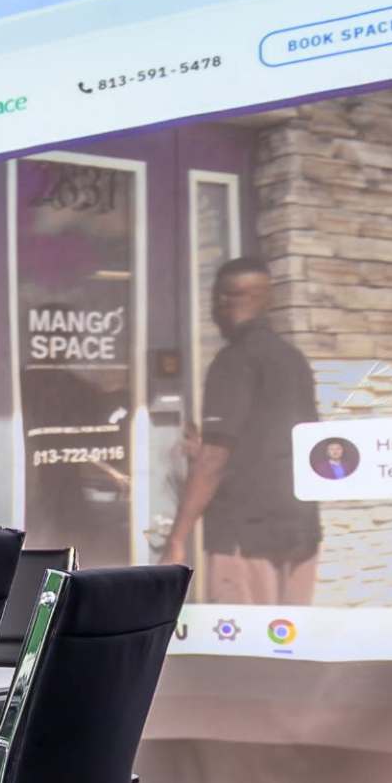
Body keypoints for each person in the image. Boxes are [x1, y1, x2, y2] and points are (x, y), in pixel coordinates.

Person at [158, 256, 321, 601]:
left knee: (241, 633)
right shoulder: (293, 359)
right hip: (300, 533)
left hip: (245, 537)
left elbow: (214, 459)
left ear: (222, 301)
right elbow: (274, 439)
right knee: (291, 631)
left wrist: (177, 539)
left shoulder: (234, 360)